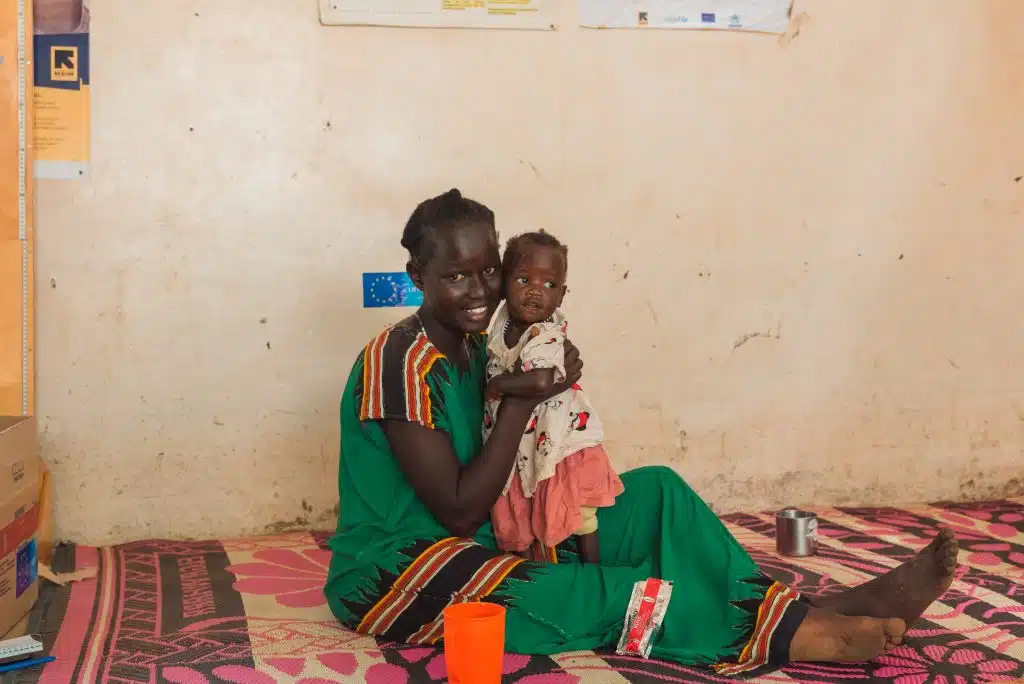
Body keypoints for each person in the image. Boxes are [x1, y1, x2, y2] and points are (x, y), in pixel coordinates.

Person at [324, 188, 959, 676]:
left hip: (492, 531)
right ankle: (801, 635)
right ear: (416, 278)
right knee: (602, 592)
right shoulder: (397, 363)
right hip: (400, 568)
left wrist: (552, 384)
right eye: (456, 276)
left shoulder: (479, 346)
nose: (480, 290)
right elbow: (458, 510)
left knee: (656, 494)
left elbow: (515, 442)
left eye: (489, 271)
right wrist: (522, 400)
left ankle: (791, 610)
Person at [483, 230, 622, 564]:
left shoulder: (545, 332)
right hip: (526, 440)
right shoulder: (500, 324)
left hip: (559, 442)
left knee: (580, 516)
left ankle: (594, 573)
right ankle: (541, 574)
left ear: (561, 295)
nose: (535, 291)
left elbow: (543, 379)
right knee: (530, 513)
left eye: (549, 285)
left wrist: (498, 386)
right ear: (504, 283)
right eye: (524, 279)